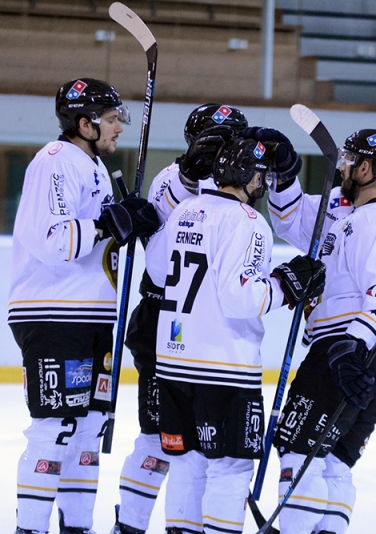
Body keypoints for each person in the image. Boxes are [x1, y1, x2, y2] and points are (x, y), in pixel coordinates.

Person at [8, 78, 160, 534]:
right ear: (84, 123)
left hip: (93, 315)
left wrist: (128, 221)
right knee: (56, 429)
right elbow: (53, 238)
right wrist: (109, 221)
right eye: (111, 121)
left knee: (89, 432)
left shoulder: (90, 165)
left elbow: (99, 233)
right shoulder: (57, 161)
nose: (118, 129)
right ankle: (31, 528)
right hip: (54, 312)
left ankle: (78, 527)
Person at [154, 135, 326, 534]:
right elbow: (241, 298)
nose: (263, 184)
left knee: (187, 464)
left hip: (174, 363)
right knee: (230, 468)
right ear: (249, 177)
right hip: (224, 366)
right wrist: (286, 284)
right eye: (261, 176)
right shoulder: (249, 222)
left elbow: (158, 270)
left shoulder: (187, 210)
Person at [266, 129, 376, 534]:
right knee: (332, 461)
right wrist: (283, 174)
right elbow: (292, 219)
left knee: (297, 448)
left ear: (366, 168)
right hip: (370, 354)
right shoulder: (344, 207)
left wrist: (351, 351)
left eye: (350, 160)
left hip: (349, 349)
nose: (343, 165)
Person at [110, 103, 249, 534]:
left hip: (206, 333)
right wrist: (187, 177)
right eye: (216, 138)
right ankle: (130, 526)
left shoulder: (235, 191)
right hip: (164, 323)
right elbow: (156, 263)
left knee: (203, 447)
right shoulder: (174, 178)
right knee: (160, 441)